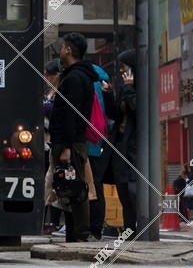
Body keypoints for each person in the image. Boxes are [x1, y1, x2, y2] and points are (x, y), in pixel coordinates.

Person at [49, 32, 100, 243]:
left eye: (62, 47)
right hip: (68, 142)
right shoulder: (76, 76)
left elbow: (72, 114)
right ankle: (73, 235)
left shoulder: (75, 78)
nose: (60, 51)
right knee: (67, 188)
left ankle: (80, 236)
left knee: (77, 189)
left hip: (70, 143)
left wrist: (67, 148)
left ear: (68, 50)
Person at [101, 49, 138, 232]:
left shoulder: (139, 89)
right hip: (119, 143)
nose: (122, 72)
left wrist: (129, 87)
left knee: (132, 190)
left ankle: (139, 228)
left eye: (125, 67)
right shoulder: (125, 88)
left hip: (133, 146)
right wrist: (108, 94)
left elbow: (137, 110)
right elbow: (114, 114)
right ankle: (128, 230)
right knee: (122, 189)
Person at [87, 60, 116, 240]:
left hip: (87, 142)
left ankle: (93, 228)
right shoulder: (104, 85)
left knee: (91, 187)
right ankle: (95, 229)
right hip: (98, 143)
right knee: (96, 187)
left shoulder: (88, 83)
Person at [42, 59, 65, 236]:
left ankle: (55, 222)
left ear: (56, 75)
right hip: (45, 145)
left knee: (57, 183)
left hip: (56, 142)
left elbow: (54, 114)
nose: (45, 77)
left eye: (48, 74)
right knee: (48, 183)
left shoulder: (61, 92)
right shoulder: (47, 92)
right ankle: (47, 221)